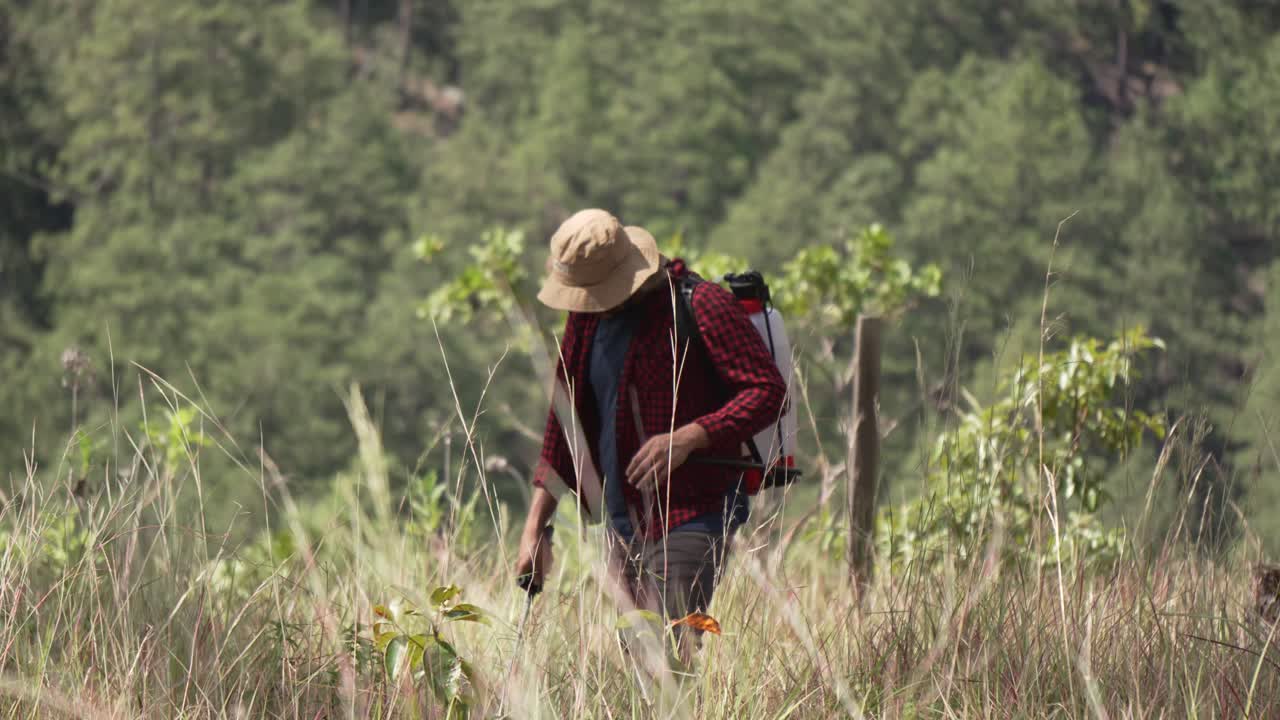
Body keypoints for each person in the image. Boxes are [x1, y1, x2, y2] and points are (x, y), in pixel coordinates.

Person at [513, 208, 786, 651]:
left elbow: (767, 391)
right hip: (621, 522)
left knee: (667, 649)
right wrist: (533, 529)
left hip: (695, 511)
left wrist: (690, 436)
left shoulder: (701, 305)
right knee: (639, 655)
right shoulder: (586, 318)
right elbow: (563, 425)